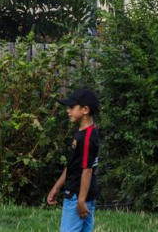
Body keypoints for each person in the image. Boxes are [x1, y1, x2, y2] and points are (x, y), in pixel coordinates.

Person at [47, 88, 101, 232]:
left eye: (71, 107)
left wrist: (81, 200)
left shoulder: (87, 137)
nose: (68, 111)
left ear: (85, 109)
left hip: (77, 195)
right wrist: (56, 187)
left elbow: (87, 170)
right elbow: (72, 165)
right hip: (83, 194)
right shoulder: (83, 132)